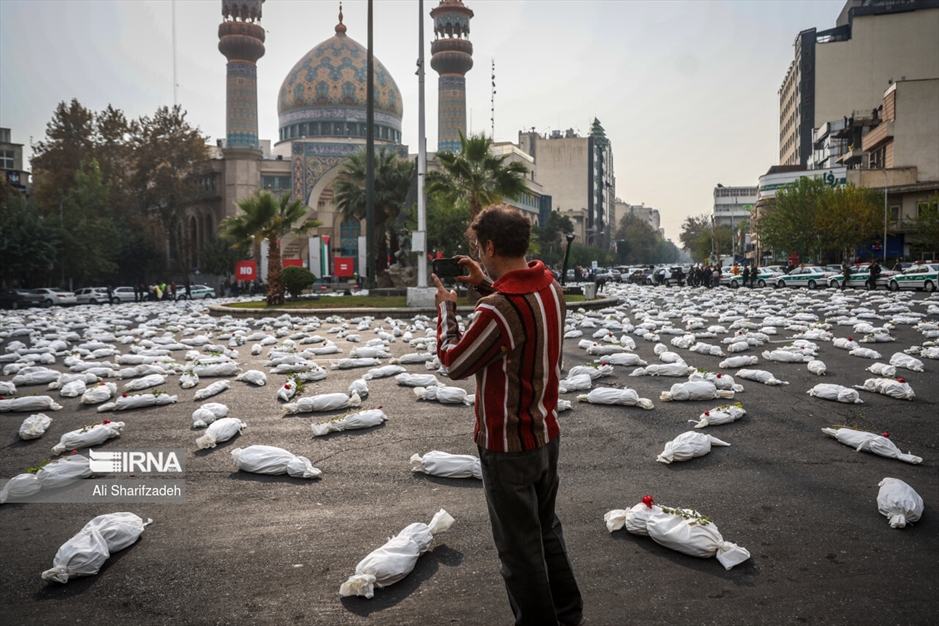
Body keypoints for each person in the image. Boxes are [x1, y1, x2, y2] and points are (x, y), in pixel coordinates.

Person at [432, 205, 584, 626]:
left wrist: (447, 310)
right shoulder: (550, 285)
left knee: (519, 552)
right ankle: (568, 614)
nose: (478, 255)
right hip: (546, 434)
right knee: (546, 529)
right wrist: (485, 285)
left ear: (491, 246)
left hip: (507, 446)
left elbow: (455, 363)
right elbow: (519, 321)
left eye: (479, 248)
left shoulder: (498, 309)